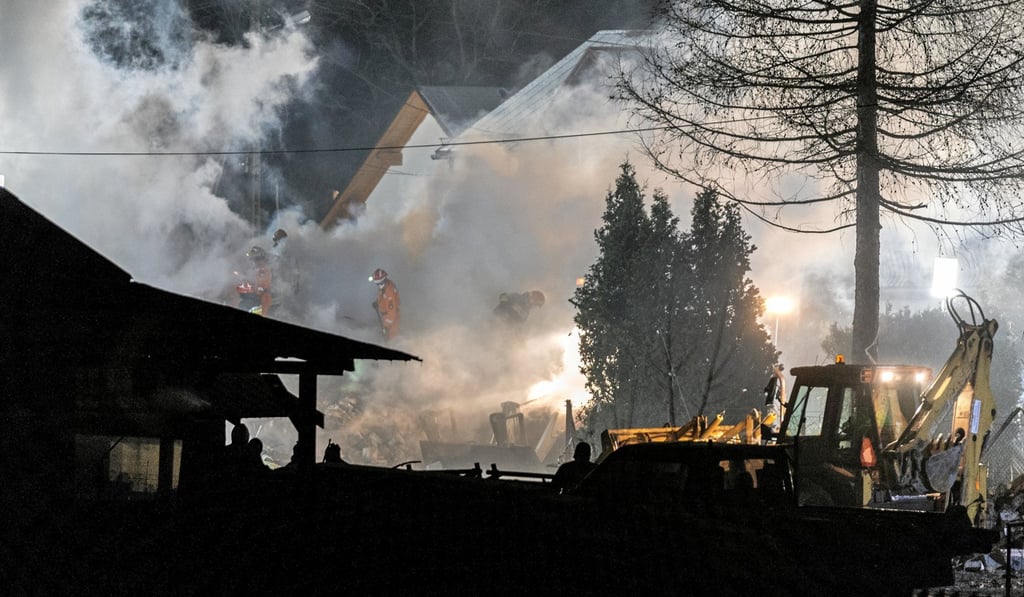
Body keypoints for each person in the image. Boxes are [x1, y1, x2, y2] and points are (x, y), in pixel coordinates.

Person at [237, 246, 272, 316]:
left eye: (254, 259)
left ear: (260, 259)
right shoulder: (254, 269)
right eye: (252, 259)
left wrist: (248, 285)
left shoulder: (264, 271)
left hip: (258, 301)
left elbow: (260, 289)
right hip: (250, 300)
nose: (252, 261)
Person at [370, 268, 400, 340]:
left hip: (392, 319)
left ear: (384, 280)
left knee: (390, 339)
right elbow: (381, 296)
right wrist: (377, 302)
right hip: (386, 316)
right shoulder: (384, 286)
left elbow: (392, 313)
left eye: (379, 283)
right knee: (384, 334)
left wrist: (386, 327)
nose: (378, 285)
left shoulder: (389, 293)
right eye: (376, 283)